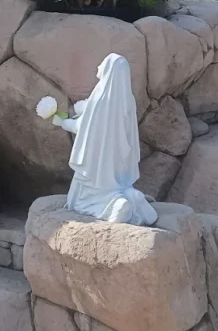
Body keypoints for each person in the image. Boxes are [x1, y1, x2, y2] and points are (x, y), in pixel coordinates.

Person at [56, 53, 157, 225]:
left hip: (98, 164)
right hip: (119, 162)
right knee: (116, 186)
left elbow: (84, 129)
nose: (99, 67)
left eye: (102, 63)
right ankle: (131, 195)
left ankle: (115, 205)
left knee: (84, 201)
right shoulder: (128, 99)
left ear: (109, 69)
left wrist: (62, 122)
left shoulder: (100, 98)